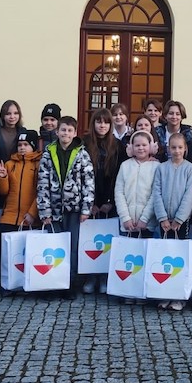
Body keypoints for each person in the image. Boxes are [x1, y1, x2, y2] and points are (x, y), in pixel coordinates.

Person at [37, 116, 95, 299]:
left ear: (75, 133)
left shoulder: (82, 153)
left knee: (72, 246)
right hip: (53, 209)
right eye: (63, 130)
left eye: (70, 131)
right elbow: (42, 182)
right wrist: (44, 210)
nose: (66, 134)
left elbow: (88, 182)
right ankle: (53, 283)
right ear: (57, 132)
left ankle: (69, 283)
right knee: (54, 246)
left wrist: (86, 208)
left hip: (74, 209)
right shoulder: (48, 152)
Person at [82, 109, 127, 294]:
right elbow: (82, 176)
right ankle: (91, 276)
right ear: (93, 124)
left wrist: (111, 201)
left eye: (106, 122)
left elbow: (119, 176)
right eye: (99, 122)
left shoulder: (117, 146)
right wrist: (88, 203)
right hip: (89, 199)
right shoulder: (84, 144)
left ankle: (105, 276)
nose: (102, 125)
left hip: (110, 199)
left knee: (107, 241)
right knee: (90, 241)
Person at [151, 133, 192, 311]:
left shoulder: (190, 169)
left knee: (179, 257)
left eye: (180, 147)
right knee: (165, 257)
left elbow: (189, 195)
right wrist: (162, 217)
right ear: (168, 148)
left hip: (180, 221)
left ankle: (179, 296)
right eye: (173, 147)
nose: (176, 151)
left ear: (185, 149)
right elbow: (157, 192)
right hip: (164, 221)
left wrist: (179, 218)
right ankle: (165, 292)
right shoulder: (161, 168)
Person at [114, 131, 160, 303]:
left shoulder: (156, 167)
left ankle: (142, 291)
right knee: (128, 257)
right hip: (128, 222)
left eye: (144, 145)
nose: (141, 148)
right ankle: (128, 291)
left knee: (144, 258)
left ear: (150, 147)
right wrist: (125, 217)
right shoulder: (125, 166)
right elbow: (118, 191)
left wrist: (145, 218)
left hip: (146, 223)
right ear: (131, 147)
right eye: (137, 145)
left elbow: (155, 194)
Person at [0, 129, 42, 294]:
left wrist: (32, 213)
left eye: (26, 145)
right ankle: (6, 283)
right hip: (9, 215)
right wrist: (2, 178)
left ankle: (27, 282)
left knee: (26, 253)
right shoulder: (9, 164)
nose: (22, 148)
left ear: (33, 146)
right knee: (5, 253)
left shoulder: (39, 164)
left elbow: (41, 191)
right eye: (20, 145)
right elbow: (4, 191)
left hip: (29, 216)